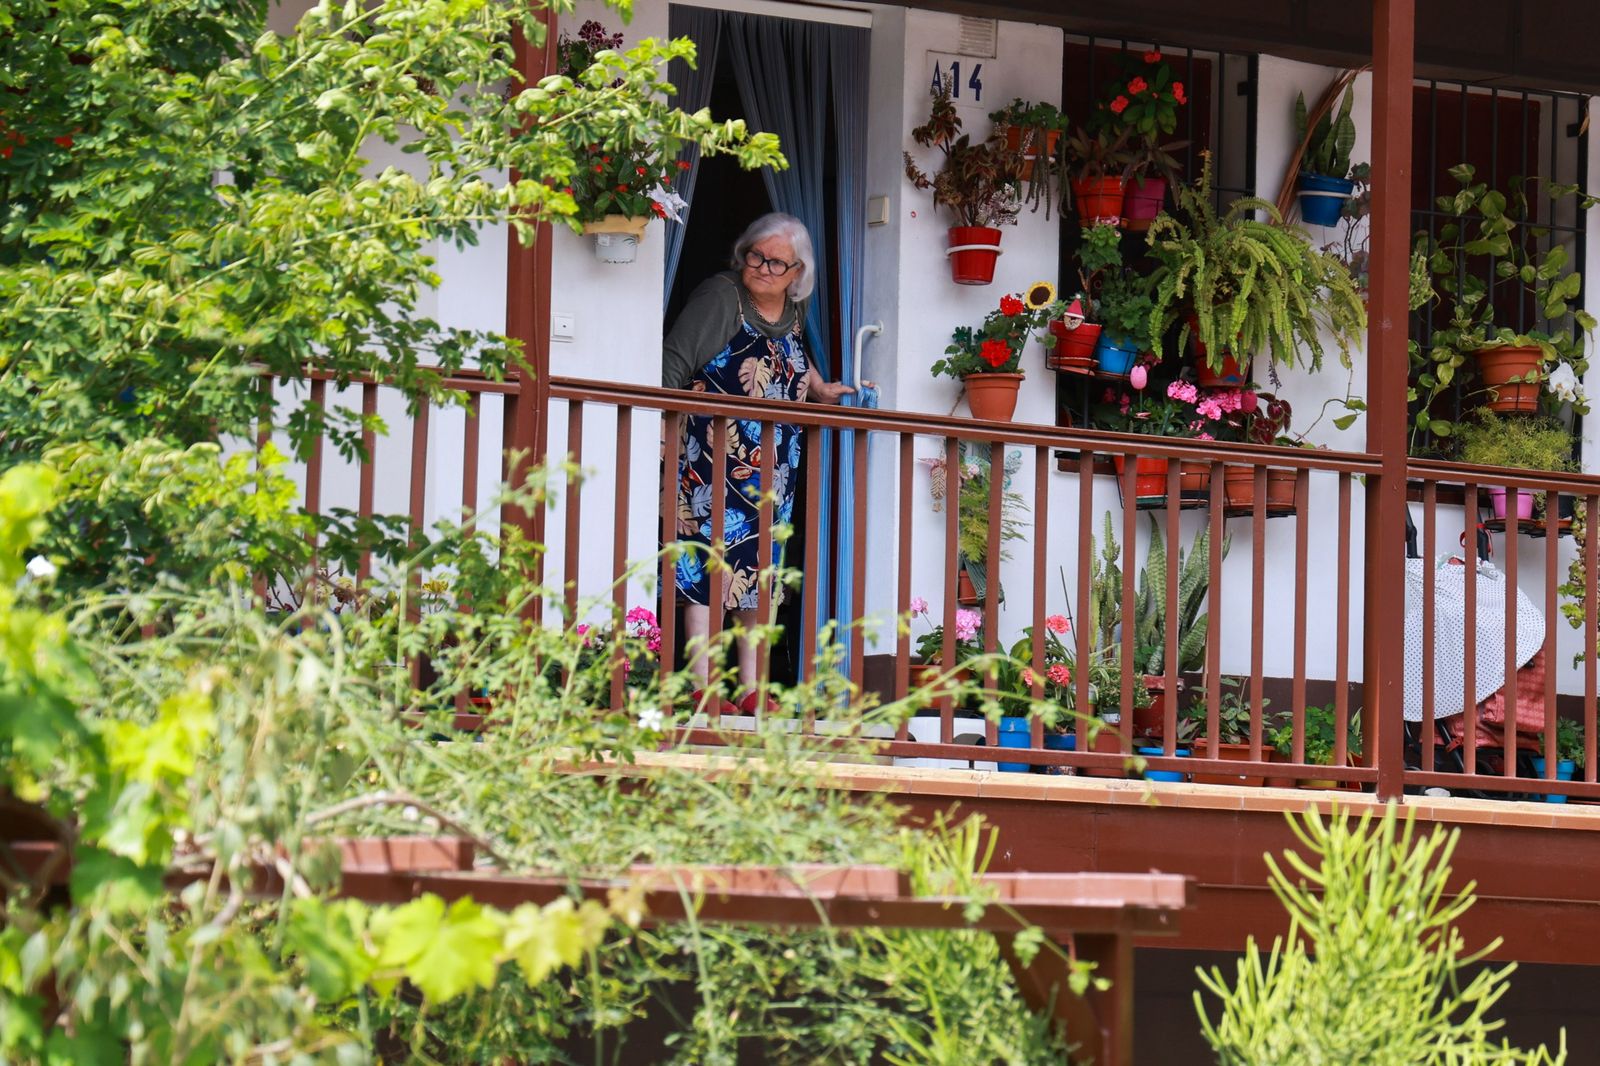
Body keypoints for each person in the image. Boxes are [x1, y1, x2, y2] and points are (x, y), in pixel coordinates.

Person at [663, 213, 853, 710]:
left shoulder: (793, 308)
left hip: (773, 469)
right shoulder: (721, 297)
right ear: (742, 253)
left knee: (760, 574)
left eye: (777, 263)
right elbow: (672, 365)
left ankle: (752, 688)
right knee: (709, 568)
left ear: (797, 274)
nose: (764, 268)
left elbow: (790, 352)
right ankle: (703, 687)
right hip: (711, 460)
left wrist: (818, 388)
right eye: (756, 256)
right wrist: (660, 433)